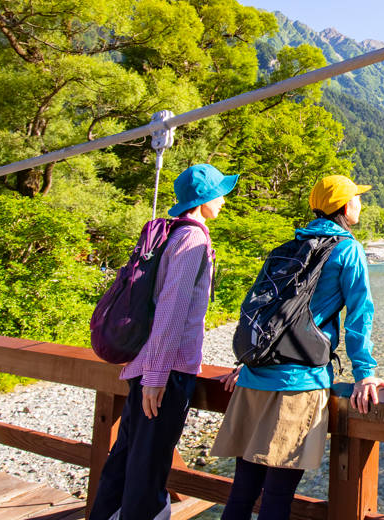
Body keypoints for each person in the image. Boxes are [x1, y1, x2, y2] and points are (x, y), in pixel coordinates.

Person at [212, 175, 384, 520]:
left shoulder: (291, 245)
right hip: (298, 384)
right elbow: (359, 314)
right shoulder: (348, 249)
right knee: (277, 498)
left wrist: (248, 360)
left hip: (254, 377)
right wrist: (365, 373)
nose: (360, 204)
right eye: (356, 198)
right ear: (344, 205)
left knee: (242, 493)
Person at [90, 163, 240, 520]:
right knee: (149, 469)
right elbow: (172, 310)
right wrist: (157, 378)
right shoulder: (194, 239)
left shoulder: (172, 233)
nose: (223, 201)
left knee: (125, 460)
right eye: (219, 194)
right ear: (204, 199)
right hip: (165, 372)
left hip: (146, 364)